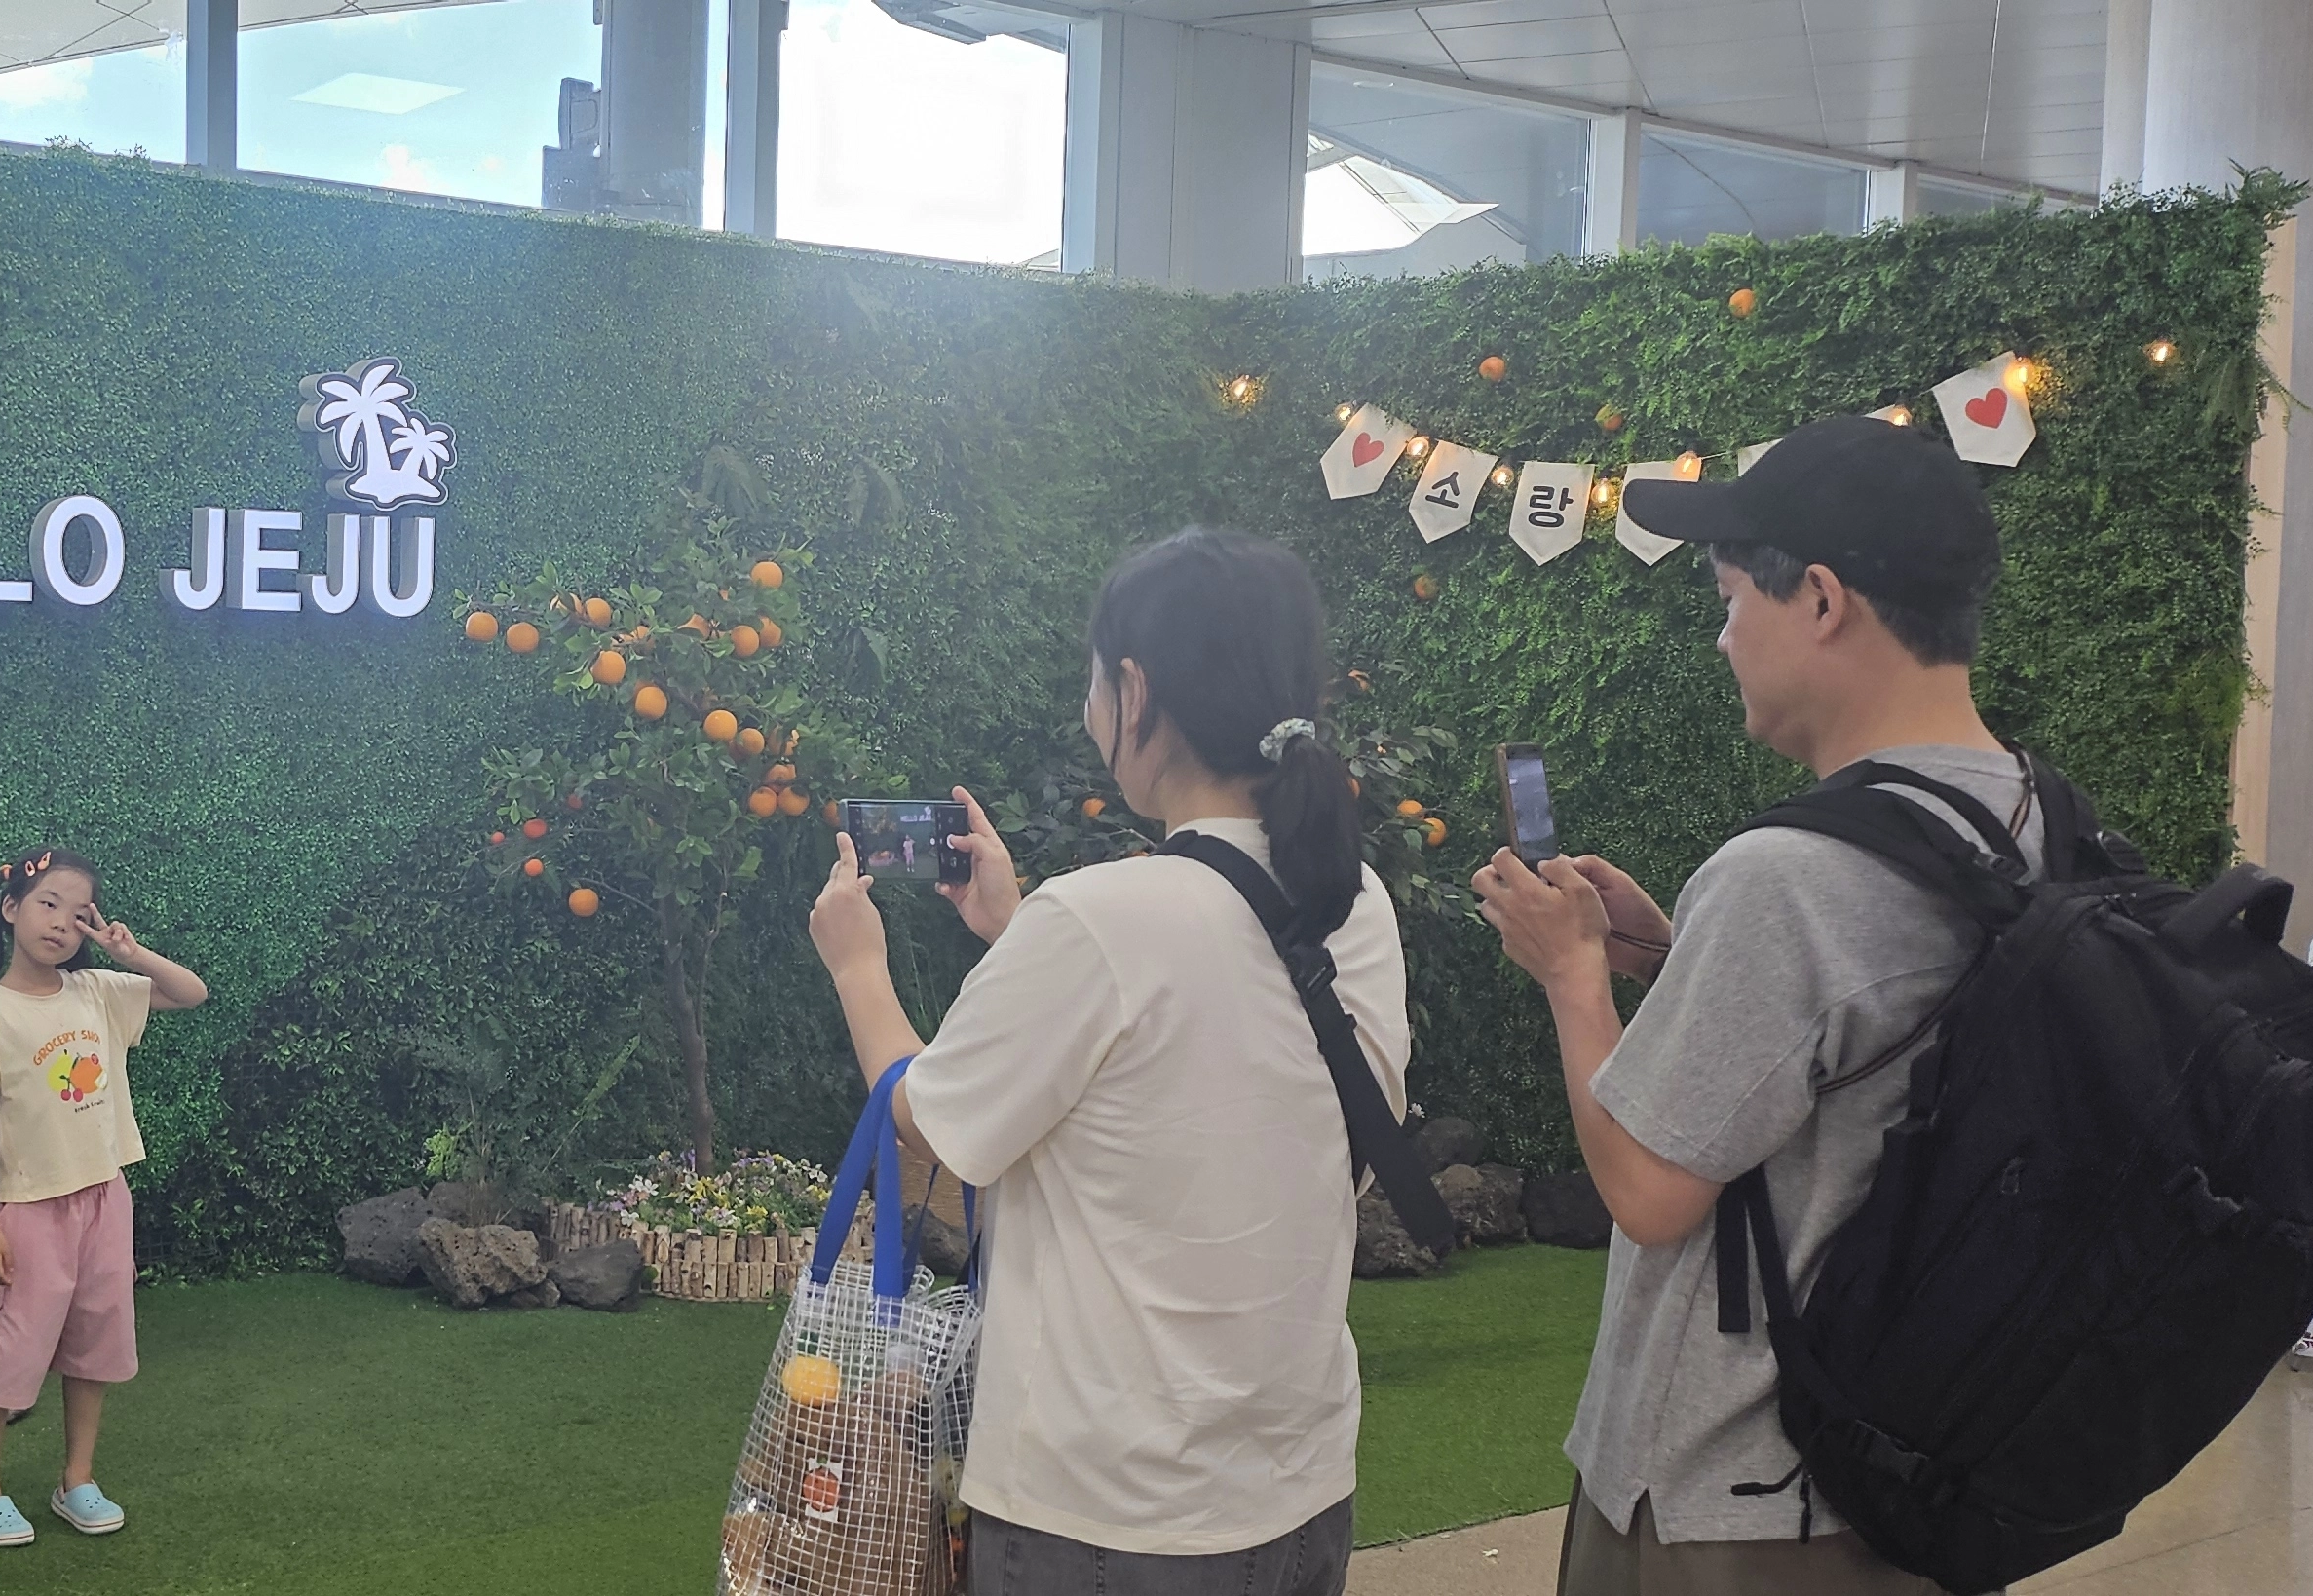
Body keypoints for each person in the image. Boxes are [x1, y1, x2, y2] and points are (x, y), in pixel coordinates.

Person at [1470, 414, 2022, 1596]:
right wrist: (1675, 962)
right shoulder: (2031, 820)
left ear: (1819, 601)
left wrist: (1571, 976)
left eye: (1729, 601)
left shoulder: (1786, 877)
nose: (1722, 639)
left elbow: (1648, 1192)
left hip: (1736, 1491)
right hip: (1924, 1460)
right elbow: (1865, 1067)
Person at [806, 528, 1400, 1596]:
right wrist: (1018, 928)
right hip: (1299, 1496)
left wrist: (857, 967)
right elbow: (1216, 1080)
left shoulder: (1099, 922)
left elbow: (931, 1123)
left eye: (1093, 683)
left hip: (1104, 1520)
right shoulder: (1355, 904)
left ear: (1136, 691)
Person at [0, 847, 208, 1547]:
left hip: (103, 1199)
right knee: (5, 1354)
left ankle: (77, 1480)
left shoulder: (98, 991)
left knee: (94, 1345)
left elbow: (190, 993)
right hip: (29, 1211)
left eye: (77, 911)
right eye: (47, 904)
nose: (61, 923)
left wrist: (128, 950)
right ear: (11, 909)